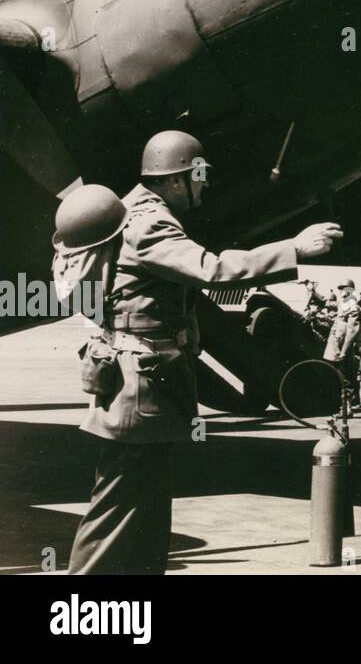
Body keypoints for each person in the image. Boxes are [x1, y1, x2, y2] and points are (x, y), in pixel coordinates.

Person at [67, 132, 340, 575]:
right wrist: (295, 248)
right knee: (119, 502)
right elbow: (210, 270)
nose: (206, 185)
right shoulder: (149, 222)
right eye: (200, 176)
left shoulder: (136, 211)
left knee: (146, 502)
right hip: (142, 388)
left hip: (150, 382)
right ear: (178, 179)